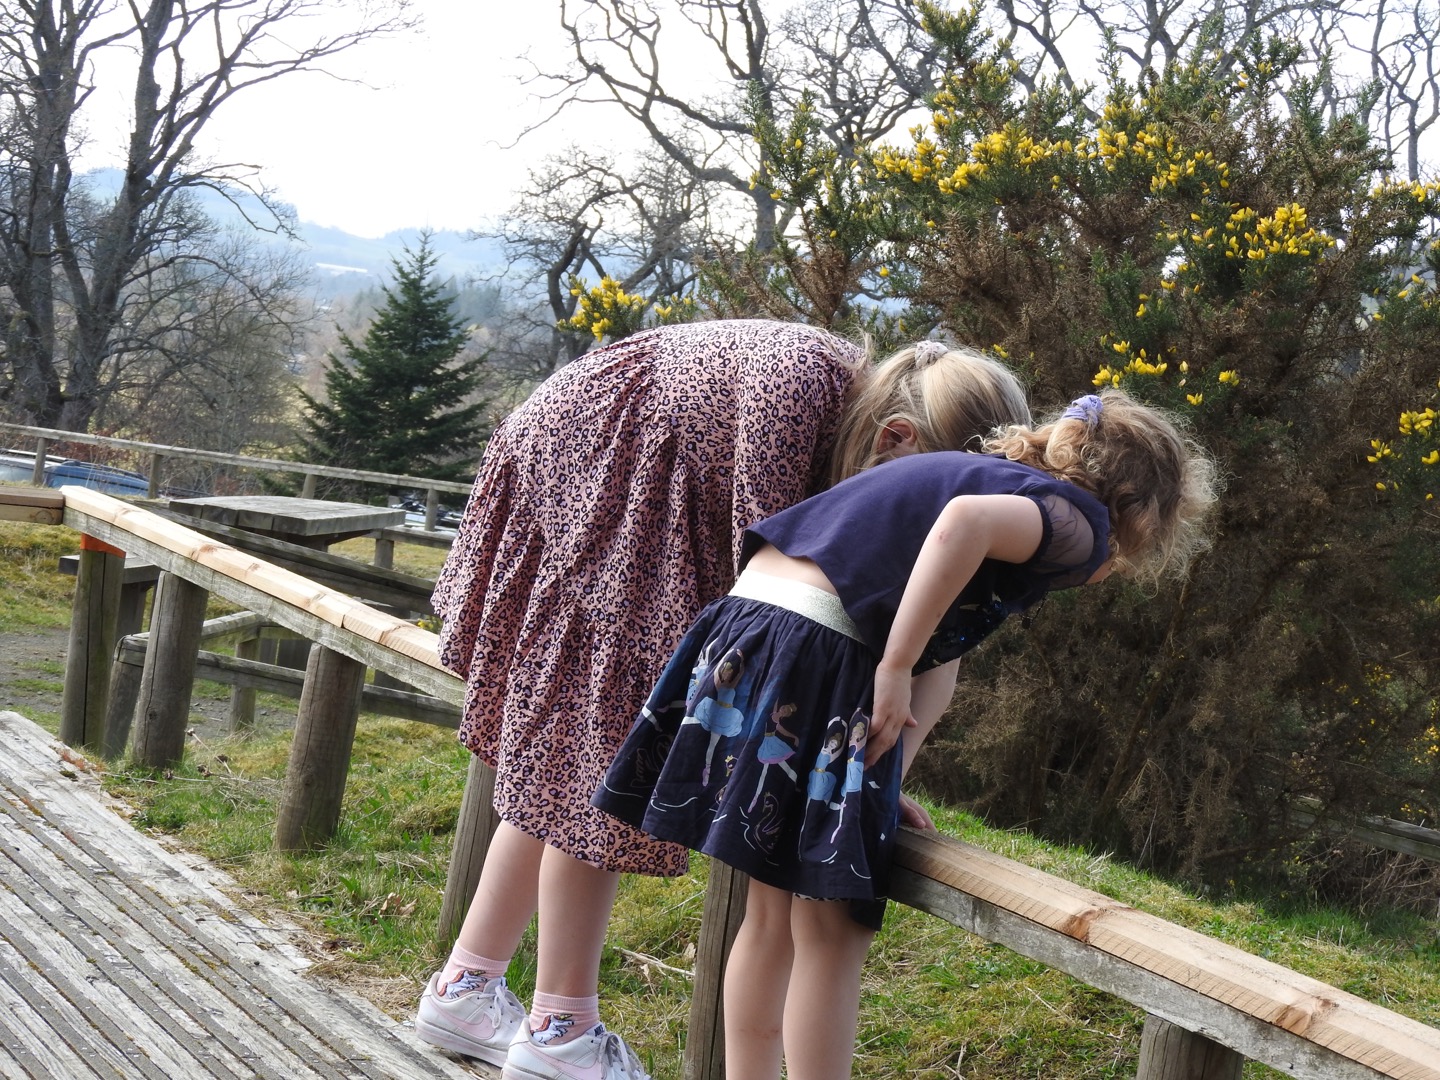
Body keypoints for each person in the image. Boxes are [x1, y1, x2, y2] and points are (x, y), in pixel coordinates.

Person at [415, 320, 1033, 1079]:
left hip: (640, 478)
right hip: (604, 462)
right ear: (896, 439)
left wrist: (869, 772)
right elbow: (773, 616)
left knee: (573, 747)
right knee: (606, 733)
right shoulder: (797, 392)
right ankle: (559, 1029)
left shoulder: (852, 453)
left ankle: (467, 987)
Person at [594, 387, 1218, 1080]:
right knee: (832, 926)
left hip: (750, 627)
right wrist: (892, 666)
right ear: (1137, 509)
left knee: (769, 916)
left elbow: (939, 666)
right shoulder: (1075, 524)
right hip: (818, 642)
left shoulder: (985, 476)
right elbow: (963, 526)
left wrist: (880, 784)